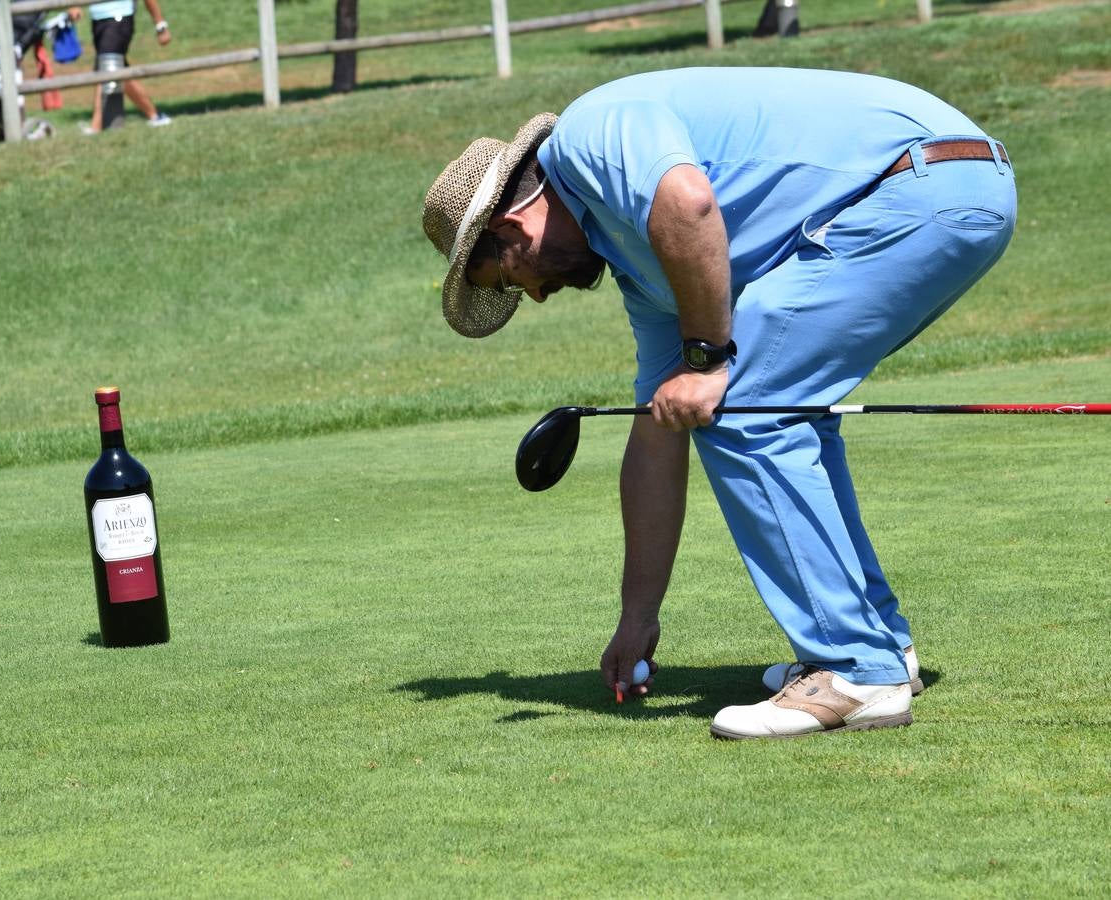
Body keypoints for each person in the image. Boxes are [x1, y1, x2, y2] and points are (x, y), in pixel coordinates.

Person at [422, 67, 1016, 740]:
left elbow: (689, 203)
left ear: (514, 227)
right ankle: (880, 644)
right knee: (770, 404)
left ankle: (854, 668)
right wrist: (637, 614)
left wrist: (706, 361)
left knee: (744, 400)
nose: (533, 293)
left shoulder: (587, 135)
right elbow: (657, 430)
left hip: (921, 187)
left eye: (511, 276)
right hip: (944, 187)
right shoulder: (642, 269)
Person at [69, 0, 173, 132]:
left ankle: (96, 126)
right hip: (98, 19)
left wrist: (160, 24)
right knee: (115, 69)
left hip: (119, 16)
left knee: (108, 68)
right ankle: (155, 116)